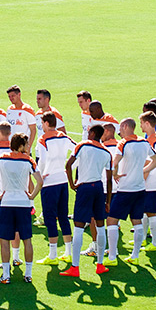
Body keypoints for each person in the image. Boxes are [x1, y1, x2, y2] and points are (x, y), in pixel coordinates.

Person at [0, 133, 43, 284]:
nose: (27, 147)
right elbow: (40, 181)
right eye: (25, 144)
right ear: (20, 145)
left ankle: (6, 275)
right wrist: (31, 196)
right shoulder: (28, 160)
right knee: (27, 239)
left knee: (4, 240)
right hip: (23, 204)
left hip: (6, 203)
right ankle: (28, 274)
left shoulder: (1, 158)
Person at [105, 118, 156, 266]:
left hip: (125, 188)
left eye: (120, 129)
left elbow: (114, 163)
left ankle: (111, 257)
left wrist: (115, 173)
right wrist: (144, 171)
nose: (119, 133)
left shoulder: (123, 143)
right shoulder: (144, 142)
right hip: (140, 188)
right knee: (137, 221)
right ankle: (135, 255)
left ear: (124, 127)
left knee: (111, 220)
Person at [60, 125, 113, 278]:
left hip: (84, 188)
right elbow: (109, 179)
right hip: (98, 188)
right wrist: (108, 200)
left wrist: (71, 183)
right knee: (100, 225)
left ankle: (75, 267)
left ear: (92, 133)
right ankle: (100, 264)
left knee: (79, 226)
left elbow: (68, 165)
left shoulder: (82, 145)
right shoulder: (106, 152)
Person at [35, 112, 75, 266]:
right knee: (63, 216)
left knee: (50, 218)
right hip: (63, 180)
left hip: (49, 181)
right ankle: (68, 253)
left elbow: (42, 160)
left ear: (45, 123)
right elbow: (77, 150)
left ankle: (52, 255)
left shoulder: (43, 139)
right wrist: (69, 168)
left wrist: (40, 175)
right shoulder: (64, 136)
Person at [0, 121, 25, 266]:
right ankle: (16, 257)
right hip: (20, 194)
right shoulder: (16, 150)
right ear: (10, 133)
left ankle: (6, 263)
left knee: (4, 230)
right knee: (17, 228)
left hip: (2, 195)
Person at [84, 123, 118, 258]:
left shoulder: (102, 148)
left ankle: (96, 246)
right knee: (112, 220)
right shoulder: (121, 145)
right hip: (117, 188)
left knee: (94, 219)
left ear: (108, 132)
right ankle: (113, 250)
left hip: (102, 187)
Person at [138, 111, 156, 251]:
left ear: (147, 123)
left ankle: (155, 243)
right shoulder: (154, 137)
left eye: (142, 123)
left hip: (151, 182)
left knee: (150, 211)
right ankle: (143, 238)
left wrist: (142, 175)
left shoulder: (152, 140)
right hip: (154, 180)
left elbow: (150, 161)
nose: (140, 126)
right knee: (145, 211)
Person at [5, 85, 37, 153]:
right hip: (11, 149)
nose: (11, 98)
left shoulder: (27, 109)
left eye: (12, 96)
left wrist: (28, 148)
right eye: (9, 96)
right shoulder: (9, 109)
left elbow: (33, 130)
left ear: (19, 94)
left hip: (23, 149)